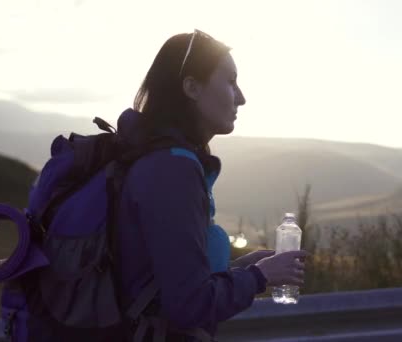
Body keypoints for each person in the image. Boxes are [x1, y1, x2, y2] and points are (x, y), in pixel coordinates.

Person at [116, 30, 307, 341]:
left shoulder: (159, 159)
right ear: (191, 87)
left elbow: (163, 278)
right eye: (230, 81)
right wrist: (260, 277)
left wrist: (240, 268)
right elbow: (189, 305)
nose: (241, 97)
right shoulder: (171, 170)